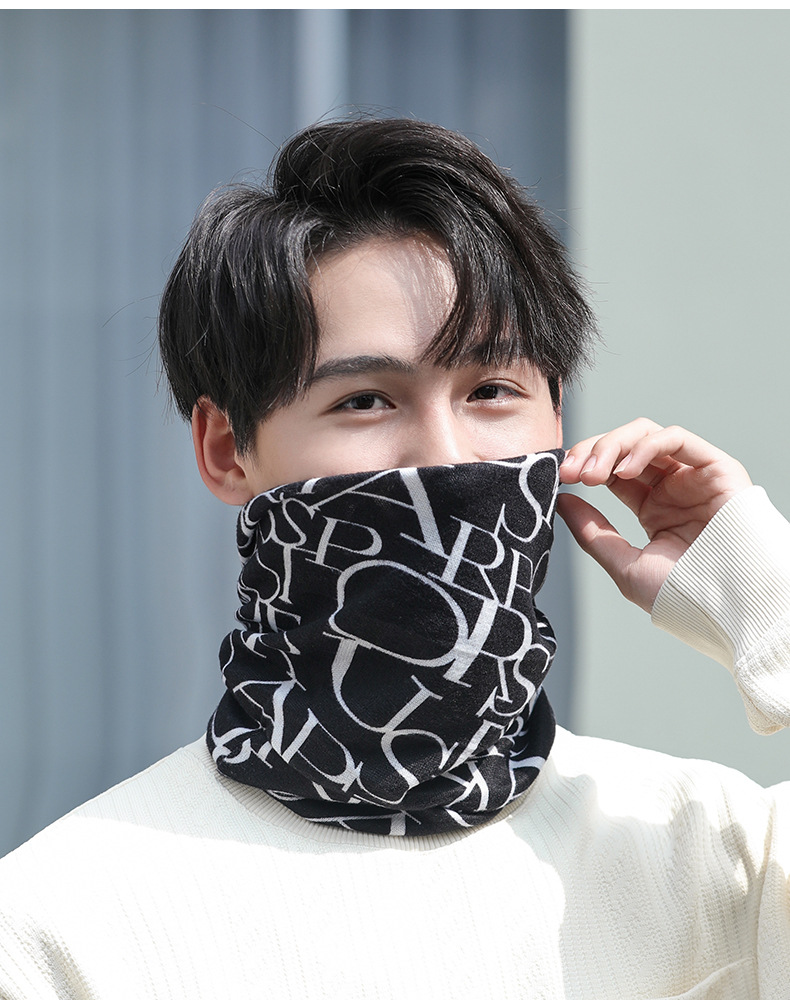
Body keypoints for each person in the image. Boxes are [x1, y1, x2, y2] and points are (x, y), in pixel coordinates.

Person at [0, 118, 787, 998]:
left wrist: (767, 598)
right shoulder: (62, 927)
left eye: (492, 391)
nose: (444, 456)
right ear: (226, 449)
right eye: (366, 400)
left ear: (559, 414)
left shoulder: (723, 858)